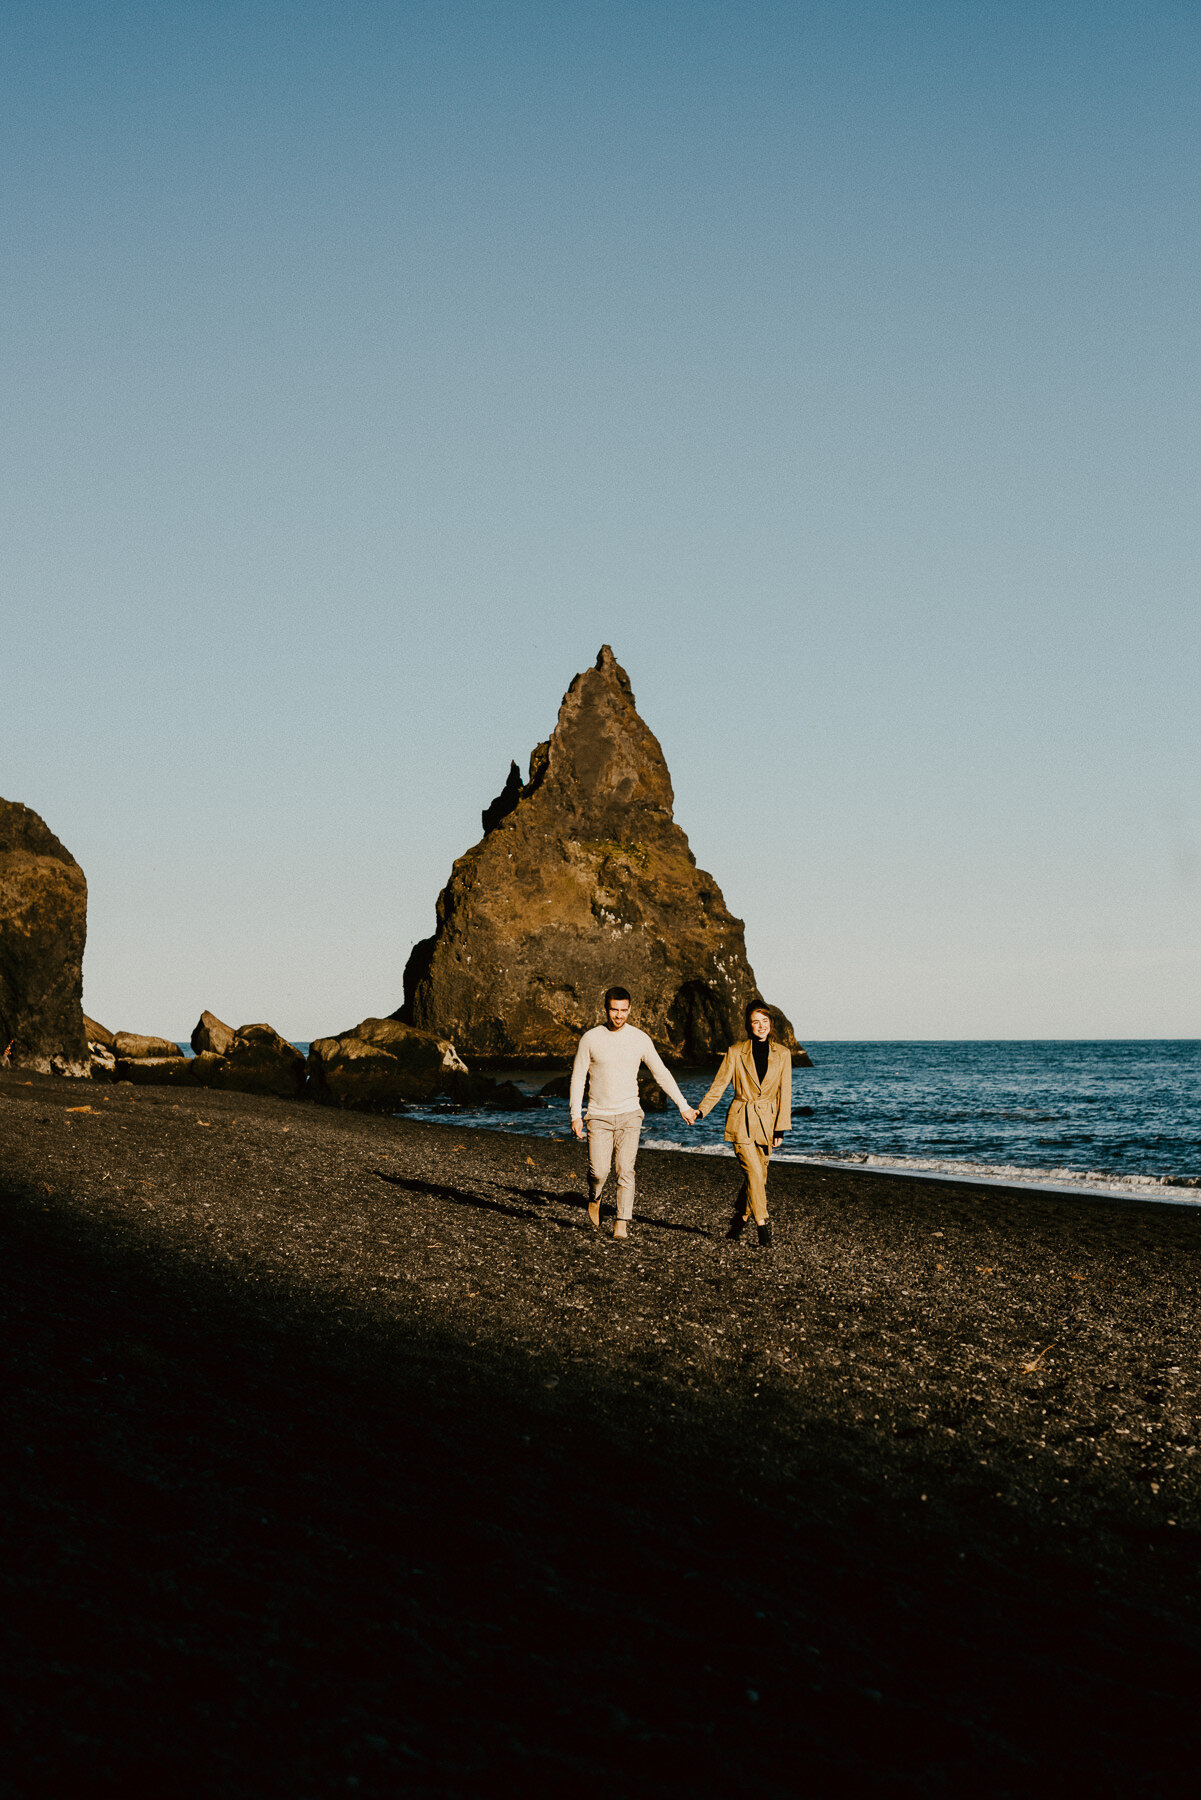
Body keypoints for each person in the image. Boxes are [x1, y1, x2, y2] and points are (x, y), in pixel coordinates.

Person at [570, 987, 699, 1240]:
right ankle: (594, 1197)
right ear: (606, 1009)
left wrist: (683, 1105)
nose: (619, 1015)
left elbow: (661, 1073)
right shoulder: (590, 1038)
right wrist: (576, 1114)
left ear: (629, 1009)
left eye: (623, 1010)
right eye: (614, 1010)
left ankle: (621, 1221)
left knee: (625, 1170)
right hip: (598, 1115)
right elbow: (578, 1077)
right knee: (599, 1172)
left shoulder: (640, 1039)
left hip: (630, 1114)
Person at [695, 1001, 792, 1248]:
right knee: (754, 1173)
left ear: (770, 1024)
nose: (761, 1026)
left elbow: (785, 1093)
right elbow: (719, 1085)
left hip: (768, 1122)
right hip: (741, 1119)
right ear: (749, 1026)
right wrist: (702, 1110)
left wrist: (780, 1127)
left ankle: (739, 1221)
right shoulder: (736, 1051)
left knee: (760, 1177)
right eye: (755, 1022)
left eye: (765, 1021)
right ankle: (762, 1227)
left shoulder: (783, 1053)